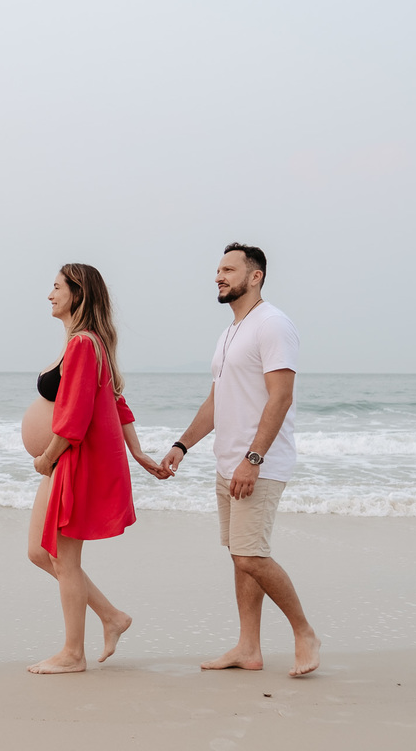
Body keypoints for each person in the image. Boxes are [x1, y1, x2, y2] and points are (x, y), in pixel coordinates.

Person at [159, 242, 321, 677]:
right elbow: (218, 400)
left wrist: (254, 459)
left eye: (229, 269)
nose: (219, 276)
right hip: (227, 462)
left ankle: (304, 633)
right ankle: (249, 648)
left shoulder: (273, 325)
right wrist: (182, 445)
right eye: (217, 269)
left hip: (258, 464)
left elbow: (281, 396)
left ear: (256, 276)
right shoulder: (230, 332)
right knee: (239, 554)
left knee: (251, 556)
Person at [20, 262, 165, 674]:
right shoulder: (85, 342)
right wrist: (137, 452)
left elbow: (76, 417)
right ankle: (112, 616)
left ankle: (72, 654)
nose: (49, 295)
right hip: (62, 461)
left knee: (64, 559)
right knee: (38, 552)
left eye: (56, 287)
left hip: (71, 459)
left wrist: (47, 457)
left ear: (77, 294)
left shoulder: (84, 343)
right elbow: (117, 401)